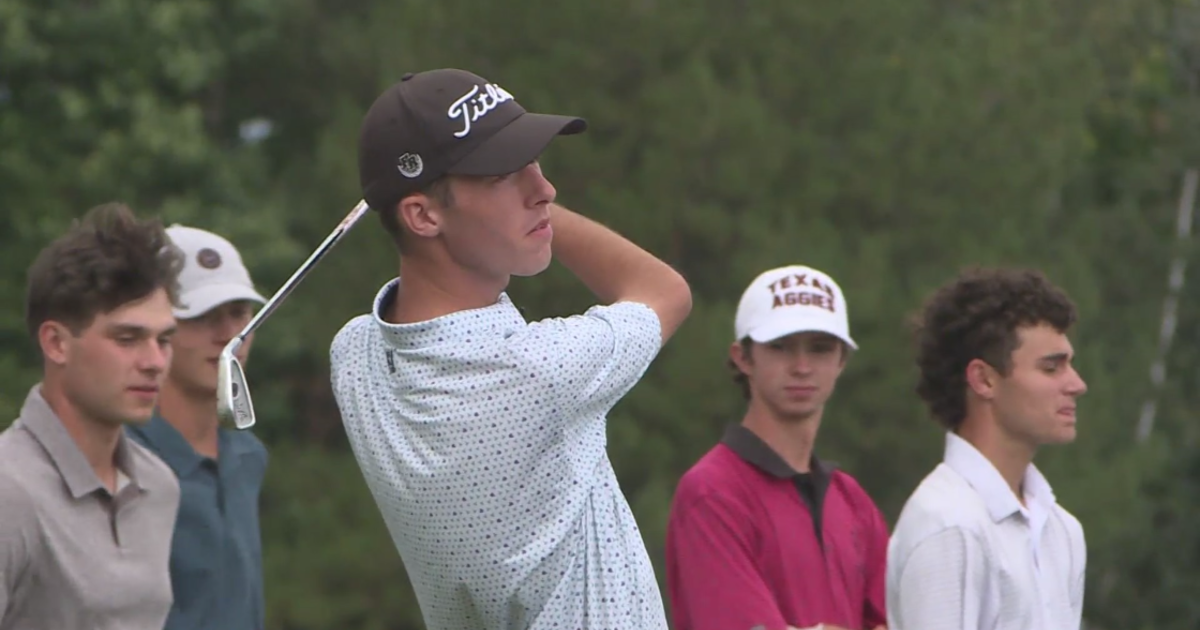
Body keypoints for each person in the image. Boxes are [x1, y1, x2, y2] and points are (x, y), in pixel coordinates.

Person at [329, 68, 692, 630]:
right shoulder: (541, 369)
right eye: (503, 174)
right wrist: (546, 221)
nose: (543, 190)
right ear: (423, 215)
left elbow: (368, 330)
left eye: (535, 164)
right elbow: (665, 291)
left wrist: (518, 208)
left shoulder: (356, 361)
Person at [664, 264, 889, 630]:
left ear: (842, 360)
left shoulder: (852, 500)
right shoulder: (710, 492)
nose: (801, 367)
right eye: (780, 346)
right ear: (743, 357)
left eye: (820, 348)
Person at [0, 202, 184, 629]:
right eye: (128, 338)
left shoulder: (159, 487)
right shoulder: (10, 491)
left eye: (165, 340)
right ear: (56, 343)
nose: (155, 362)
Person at [886, 267, 1089, 630]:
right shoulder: (947, 527)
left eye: (1069, 365)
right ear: (983, 379)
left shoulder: (1062, 531)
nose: (1076, 384)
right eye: (1051, 368)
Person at [126, 224, 270, 630]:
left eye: (240, 313)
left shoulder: (248, 455)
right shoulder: (117, 458)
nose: (229, 336)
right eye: (203, 317)